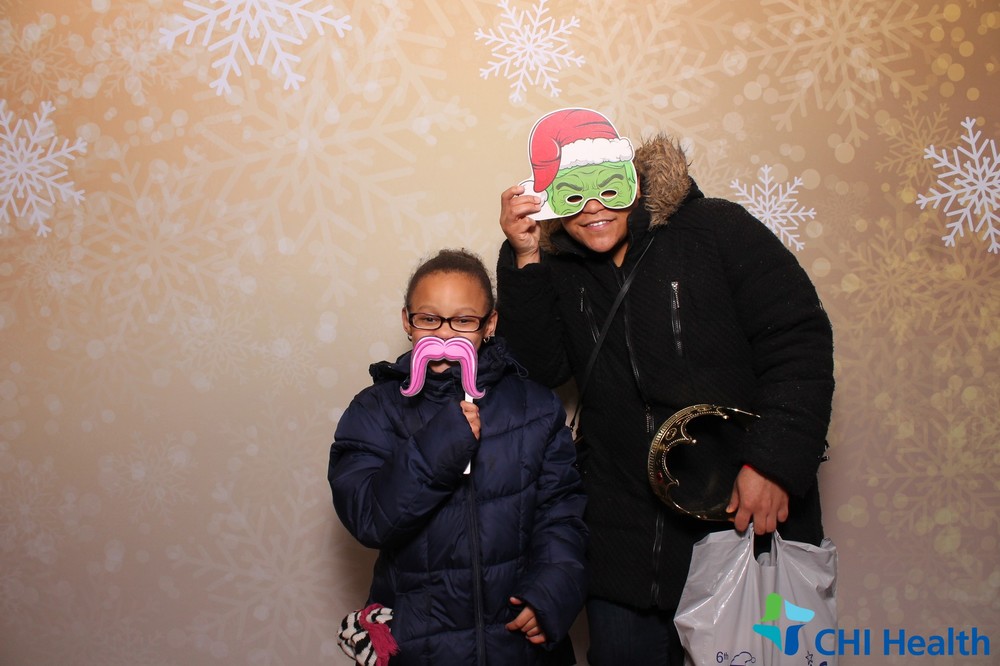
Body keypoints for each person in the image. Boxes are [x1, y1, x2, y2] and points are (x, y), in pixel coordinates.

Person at [496, 111, 834, 665]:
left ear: (631, 173)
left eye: (608, 186)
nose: (593, 206)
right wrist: (525, 256)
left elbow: (798, 340)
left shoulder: (716, 229)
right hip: (621, 541)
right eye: (572, 193)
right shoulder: (559, 267)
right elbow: (540, 369)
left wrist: (774, 465)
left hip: (738, 513)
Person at [329, 249, 588, 666]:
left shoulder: (536, 406)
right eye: (429, 319)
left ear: (490, 324)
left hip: (518, 642)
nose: (445, 336)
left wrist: (553, 591)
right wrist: (443, 440)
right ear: (407, 322)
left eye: (464, 321)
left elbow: (562, 512)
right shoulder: (374, 410)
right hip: (419, 644)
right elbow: (369, 519)